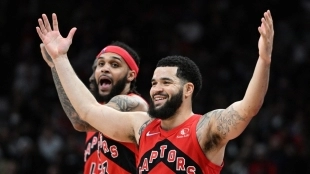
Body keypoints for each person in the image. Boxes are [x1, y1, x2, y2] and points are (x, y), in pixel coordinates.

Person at [36, 9, 274, 173]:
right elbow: (86, 112)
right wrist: (60, 58)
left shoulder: (204, 129)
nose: (157, 89)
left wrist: (263, 60)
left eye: (166, 82)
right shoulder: (141, 128)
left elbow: (247, 108)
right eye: (154, 83)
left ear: (188, 89)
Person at [39, 40, 148, 174]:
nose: (105, 68)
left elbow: (79, 119)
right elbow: (78, 115)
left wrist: (59, 60)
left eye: (115, 64)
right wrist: (55, 65)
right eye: (101, 64)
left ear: (130, 75)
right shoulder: (96, 111)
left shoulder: (135, 104)